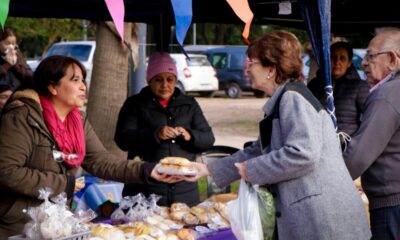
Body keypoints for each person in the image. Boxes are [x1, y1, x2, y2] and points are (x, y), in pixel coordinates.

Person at [185, 30, 371, 239]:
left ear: (270, 69)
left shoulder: (293, 98)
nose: (247, 68)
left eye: (252, 61)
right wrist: (208, 169)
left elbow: (303, 153)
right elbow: (259, 150)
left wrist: (252, 169)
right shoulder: (285, 97)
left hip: (324, 221)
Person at [0, 55, 175, 238]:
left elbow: (102, 162)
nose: (83, 86)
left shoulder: (78, 121)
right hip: (18, 226)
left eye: (83, 80)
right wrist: (63, 184)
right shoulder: (22, 116)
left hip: (55, 225)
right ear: (52, 86)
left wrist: (150, 170)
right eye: (75, 80)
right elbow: (6, 171)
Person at [114, 52, 215, 207]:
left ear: (176, 80)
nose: (165, 85)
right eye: (158, 80)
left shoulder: (189, 104)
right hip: (145, 190)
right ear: (149, 81)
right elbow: (123, 139)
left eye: (170, 79)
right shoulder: (135, 104)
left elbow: (208, 138)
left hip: (185, 192)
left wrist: (190, 136)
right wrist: (155, 134)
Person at [343, 27, 400, 240]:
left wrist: (326, 184)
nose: (363, 62)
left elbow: (358, 156)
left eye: (370, 56)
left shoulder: (387, 95)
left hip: (392, 206)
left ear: (392, 60)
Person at [308, 41, 370, 136]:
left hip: (346, 146)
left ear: (349, 63)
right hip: (317, 142)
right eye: (333, 57)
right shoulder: (314, 85)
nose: (337, 62)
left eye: (342, 58)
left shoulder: (360, 87)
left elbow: (369, 120)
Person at [0, 26, 33, 91]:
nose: (11, 47)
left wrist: (16, 64)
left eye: (13, 43)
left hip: (16, 94)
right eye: (7, 43)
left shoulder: (18, 55)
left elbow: (29, 77)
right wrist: (7, 65)